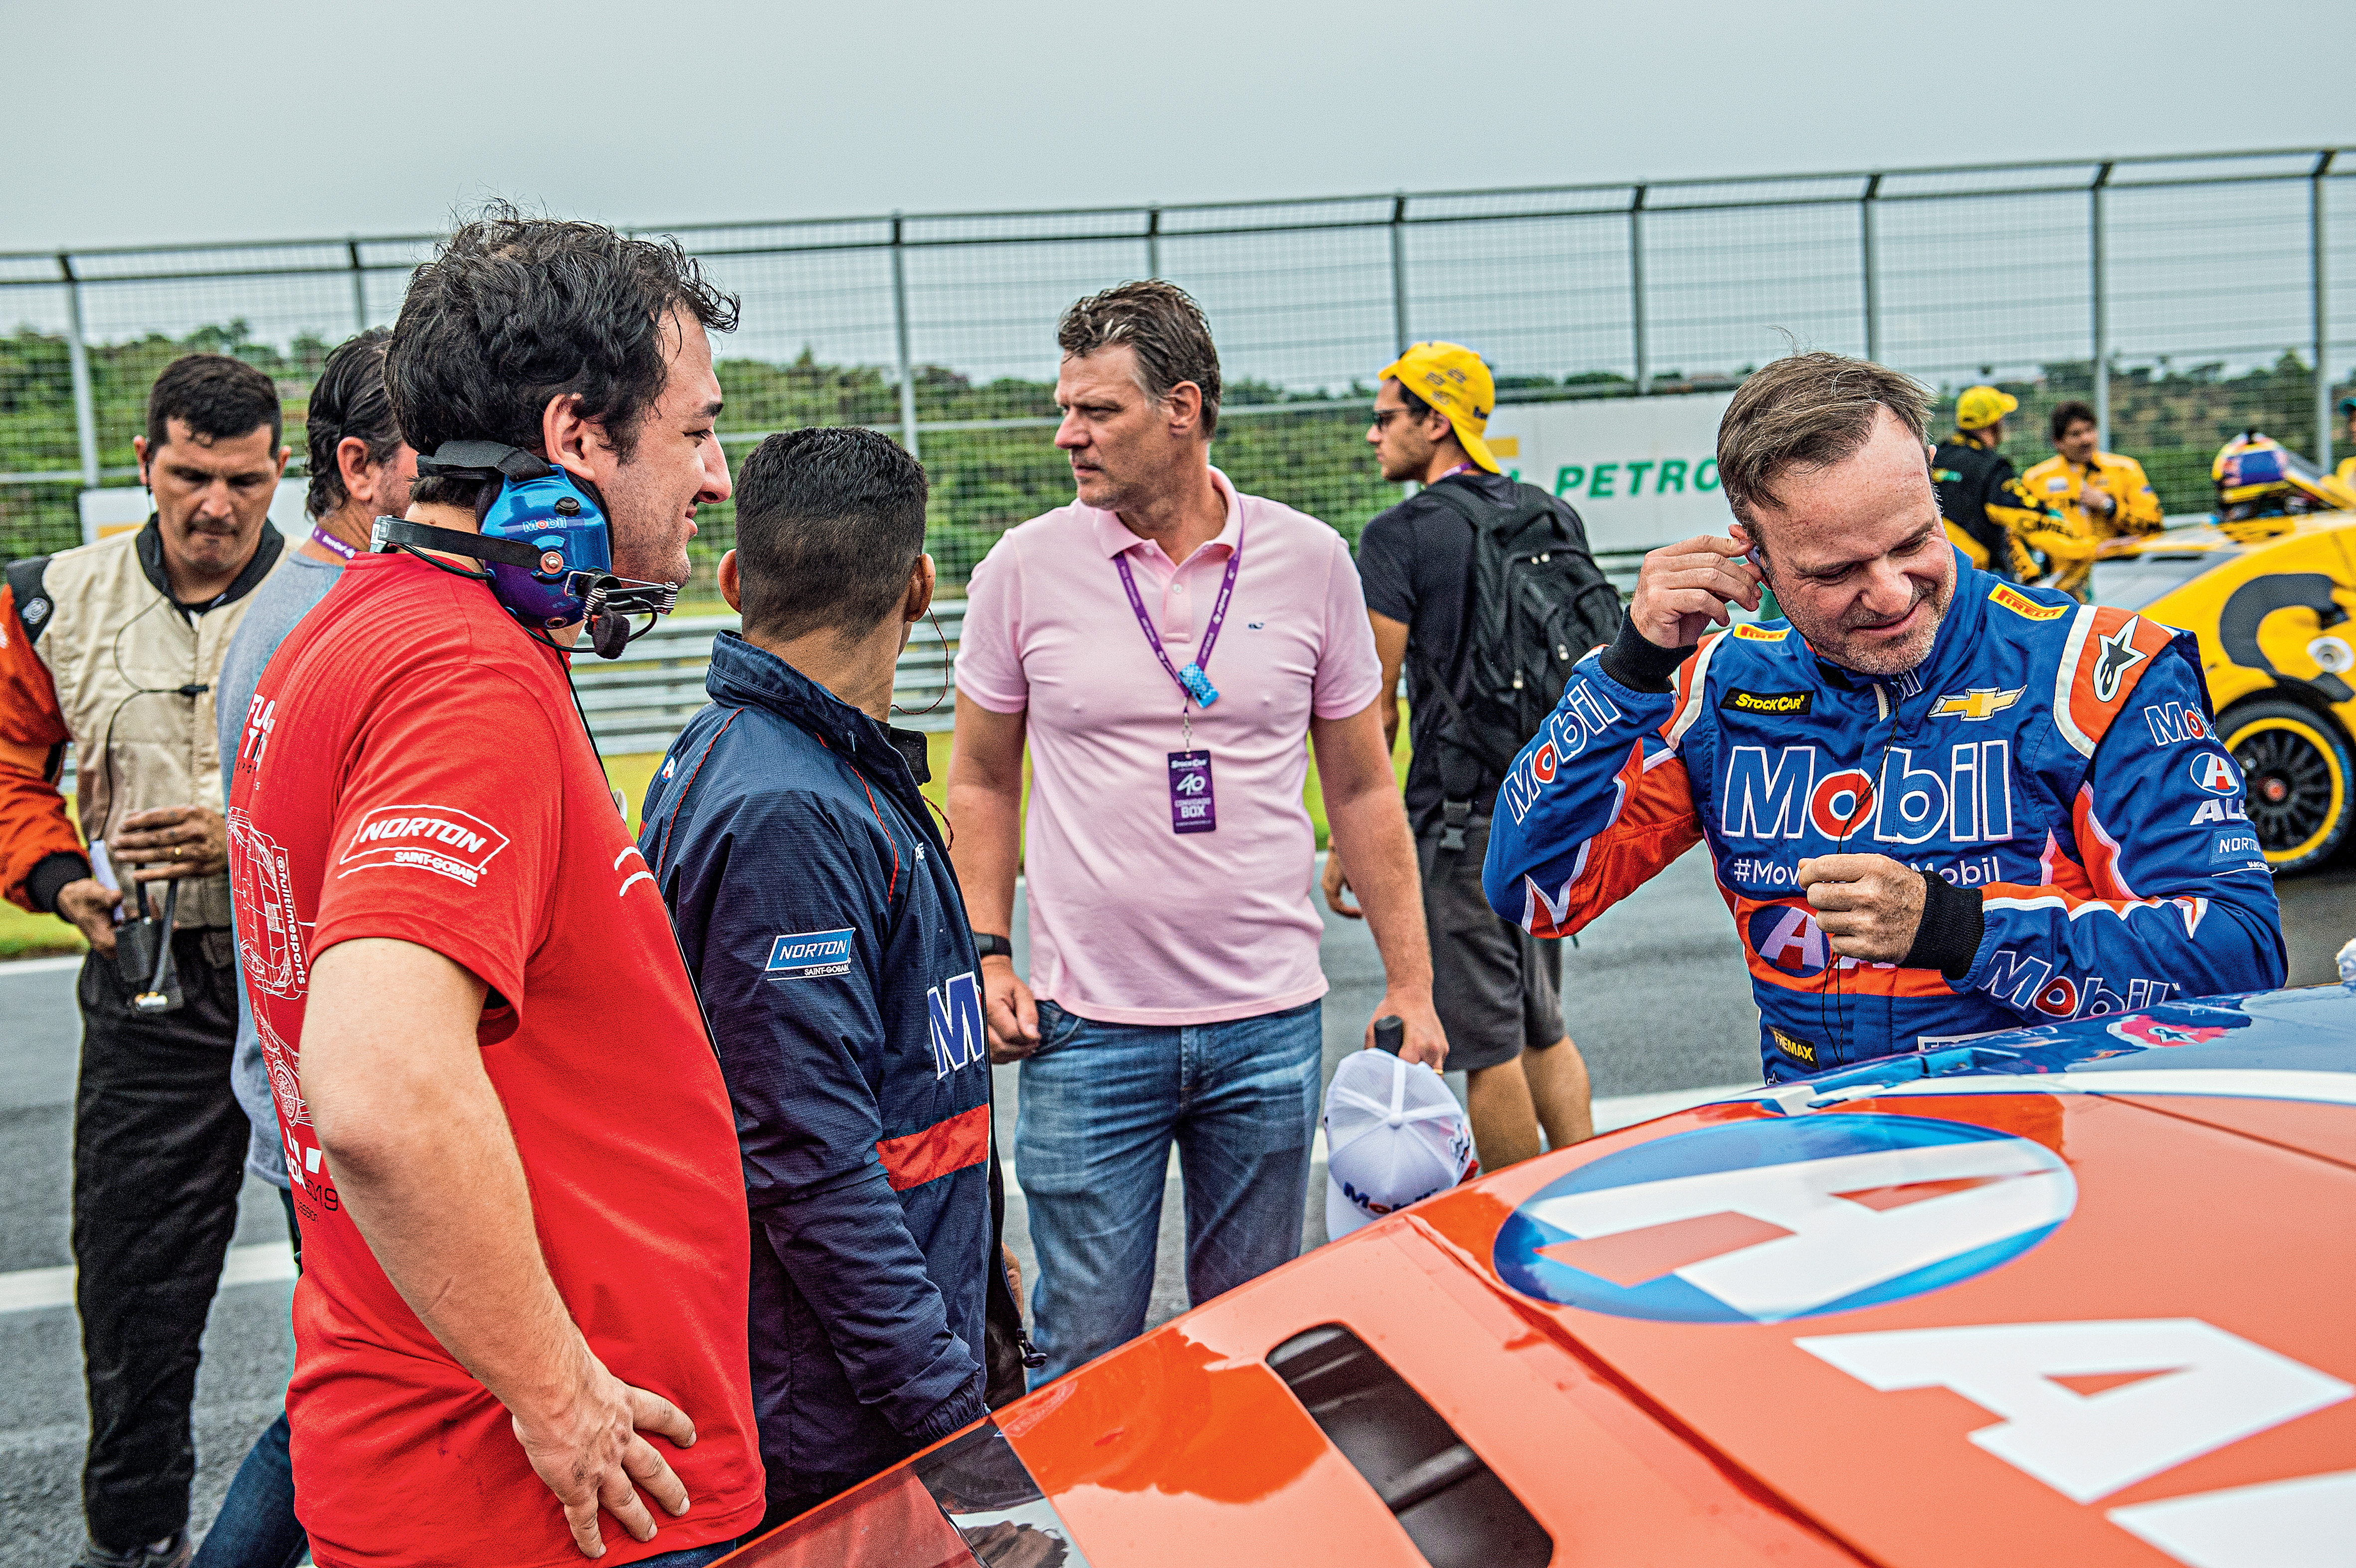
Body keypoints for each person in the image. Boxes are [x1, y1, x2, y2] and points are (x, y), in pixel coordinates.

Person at [223, 213, 762, 1568]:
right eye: (694, 432)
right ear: (579, 436)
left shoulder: (371, 614)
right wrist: (560, 1400)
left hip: (456, 1458)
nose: (714, 477)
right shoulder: (467, 676)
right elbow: (382, 1091)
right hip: (540, 1504)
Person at [1482, 351, 2286, 1084]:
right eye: (1837, 571)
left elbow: (2242, 954)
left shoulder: (2099, 671)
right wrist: (1626, 675)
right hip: (1830, 1160)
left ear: (1931, 482)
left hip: (2062, 1150)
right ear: (1752, 556)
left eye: (1913, 542)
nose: (1894, 594)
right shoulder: (1715, 685)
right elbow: (1536, 892)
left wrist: (1958, 930)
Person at [948, 281, 1447, 1382]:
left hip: (1266, 1024)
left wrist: (1411, 986)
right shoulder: (1023, 568)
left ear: (1182, 408)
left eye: (1097, 411)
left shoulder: (1313, 559)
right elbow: (981, 779)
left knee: (1254, 1351)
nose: (1067, 435)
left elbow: (1363, 788)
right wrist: (986, 950)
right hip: (1087, 1028)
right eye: (1064, 408)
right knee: (1082, 1355)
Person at [640, 427, 1023, 1533]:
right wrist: (950, 1411)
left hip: (878, 1356)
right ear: (918, 587)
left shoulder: (798, 763)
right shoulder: (787, 811)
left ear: (731, 580)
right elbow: (806, 1160)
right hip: (844, 1418)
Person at [0, 353, 290, 1568]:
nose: (215, 507)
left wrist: (241, 832)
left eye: (242, 480)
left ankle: (359, 1519)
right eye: (188, 476)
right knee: (131, 1286)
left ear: (283, 472)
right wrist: (60, 880)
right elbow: (11, 773)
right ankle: (136, 1537)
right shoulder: (54, 598)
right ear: (144, 465)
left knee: (375, 1269)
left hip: (298, 980)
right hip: (146, 976)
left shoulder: (333, 596)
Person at [195, 329, 414, 1568]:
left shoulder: (321, 599)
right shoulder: (314, 617)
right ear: (361, 467)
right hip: (338, 1085)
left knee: (361, 1382)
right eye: (434, 458)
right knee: (358, 1392)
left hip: (319, 1077)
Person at [1333, 342, 1596, 1170]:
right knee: (1541, 1021)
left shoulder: (1399, 534)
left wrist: (1353, 840)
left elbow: (1372, 703)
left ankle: (1521, 1218)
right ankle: (1587, 1193)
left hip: (1458, 820)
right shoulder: (1549, 510)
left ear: (1434, 420)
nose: (1372, 436)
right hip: (1550, 802)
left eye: (1384, 418)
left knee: (1487, 1046)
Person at [2018, 399, 2163, 598]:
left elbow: (2155, 525)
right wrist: (2032, 580)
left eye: (2090, 430)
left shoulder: (2125, 469)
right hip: (2061, 590)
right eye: (2075, 434)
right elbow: (2018, 535)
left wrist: (2109, 506)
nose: (2086, 439)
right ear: (2058, 442)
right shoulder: (2036, 479)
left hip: (2118, 583)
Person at [1928, 385, 2044, 582]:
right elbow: (2031, 518)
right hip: (1979, 577)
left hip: (1932, 571)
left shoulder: (1932, 456)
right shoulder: (1993, 466)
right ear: (1995, 423)